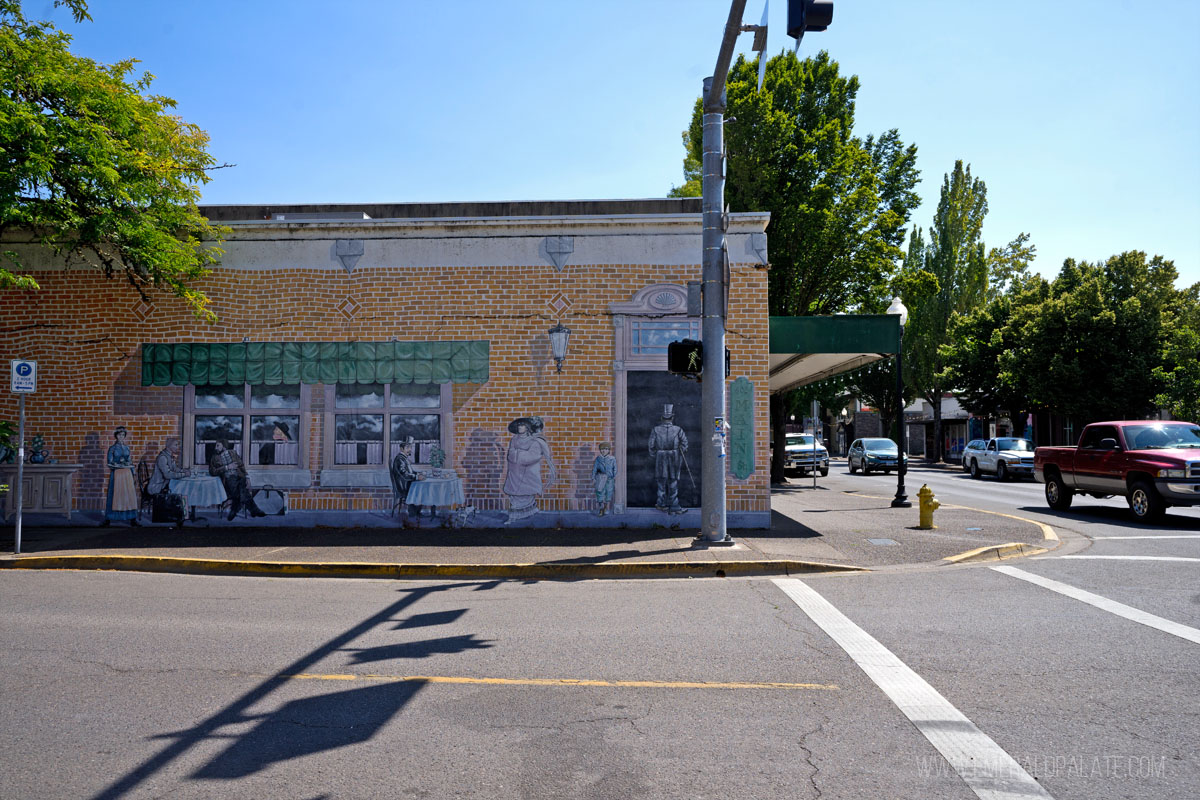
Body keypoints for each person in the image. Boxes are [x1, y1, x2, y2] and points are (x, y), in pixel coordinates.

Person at [502, 416, 555, 523]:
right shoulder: (514, 439)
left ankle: (525, 515)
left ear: (528, 427)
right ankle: (516, 516)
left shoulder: (535, 441)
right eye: (518, 425)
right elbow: (510, 454)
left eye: (522, 425)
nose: (519, 427)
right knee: (514, 496)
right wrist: (517, 454)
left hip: (527, 474)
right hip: (514, 473)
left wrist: (517, 454)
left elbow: (532, 456)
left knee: (524, 495)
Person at [208, 440, 267, 519]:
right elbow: (212, 471)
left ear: (224, 446)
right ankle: (253, 510)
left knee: (241, 486)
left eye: (218, 445)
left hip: (239, 477)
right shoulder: (214, 458)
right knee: (241, 488)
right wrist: (227, 467)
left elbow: (241, 465)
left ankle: (234, 509)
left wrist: (247, 477)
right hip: (228, 480)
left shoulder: (233, 453)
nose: (216, 448)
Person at [648, 404, 688, 514]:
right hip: (674, 456)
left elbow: (651, 446)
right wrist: (681, 451)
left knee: (661, 482)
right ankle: (674, 505)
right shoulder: (678, 430)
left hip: (660, 457)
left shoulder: (655, 430)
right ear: (672, 418)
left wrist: (655, 454)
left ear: (662, 418)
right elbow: (685, 444)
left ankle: (661, 504)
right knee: (673, 482)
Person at [101, 427, 139, 526]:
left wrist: (133, 472)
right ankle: (109, 518)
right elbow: (109, 462)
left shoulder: (127, 448)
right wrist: (116, 464)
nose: (121, 437)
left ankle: (132, 518)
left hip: (127, 474)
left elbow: (130, 461)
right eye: (119, 435)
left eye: (123, 435)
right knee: (115, 496)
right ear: (116, 436)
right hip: (117, 474)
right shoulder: (112, 448)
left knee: (129, 495)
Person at [389, 436, 426, 519]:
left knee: (422, 488)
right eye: (407, 447)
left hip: (407, 484)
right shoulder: (400, 459)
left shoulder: (404, 458)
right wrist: (417, 477)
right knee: (421, 490)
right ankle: (414, 513)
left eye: (410, 447)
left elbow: (410, 472)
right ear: (401, 449)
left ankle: (415, 512)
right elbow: (404, 474)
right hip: (403, 487)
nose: (410, 449)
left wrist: (418, 474)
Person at [592, 442, 616, 516]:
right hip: (601, 478)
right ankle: (601, 509)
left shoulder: (612, 459)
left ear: (609, 450)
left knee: (608, 493)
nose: (604, 451)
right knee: (600, 493)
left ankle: (605, 507)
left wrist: (612, 475)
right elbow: (594, 469)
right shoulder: (598, 459)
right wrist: (593, 477)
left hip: (609, 479)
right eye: (602, 449)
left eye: (606, 449)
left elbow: (615, 469)